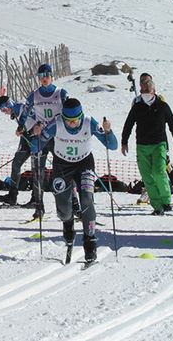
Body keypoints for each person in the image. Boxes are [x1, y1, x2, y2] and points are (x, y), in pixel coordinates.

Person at [33, 99, 117, 264]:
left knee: (87, 199)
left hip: (84, 164)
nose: (72, 124)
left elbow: (112, 145)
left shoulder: (89, 122)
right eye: (68, 120)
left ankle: (90, 241)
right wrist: (36, 134)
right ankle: (68, 225)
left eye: (75, 120)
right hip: (62, 166)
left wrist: (109, 132)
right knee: (64, 210)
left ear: (80, 115)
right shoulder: (56, 124)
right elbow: (36, 147)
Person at [121, 78, 173, 215]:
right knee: (147, 176)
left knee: (159, 172)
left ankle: (166, 200)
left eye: (146, 90)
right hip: (142, 146)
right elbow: (128, 124)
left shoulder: (162, 106)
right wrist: (124, 142)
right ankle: (157, 206)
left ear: (154, 91)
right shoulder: (137, 106)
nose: (144, 93)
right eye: (142, 91)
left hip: (159, 144)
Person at [26, 63, 70, 221]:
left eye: (47, 75)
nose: (44, 79)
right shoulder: (34, 95)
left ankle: (74, 207)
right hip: (40, 139)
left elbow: (69, 113)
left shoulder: (61, 93)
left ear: (52, 76)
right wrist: (27, 128)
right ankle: (39, 208)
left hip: (59, 138)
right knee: (38, 173)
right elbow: (26, 115)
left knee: (65, 173)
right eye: (41, 76)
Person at [0, 96, 36, 206]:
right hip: (26, 139)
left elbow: (35, 119)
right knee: (16, 164)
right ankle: (12, 196)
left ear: (8, 105)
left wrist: (23, 129)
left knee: (36, 167)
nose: (3, 112)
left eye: (2, 109)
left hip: (35, 138)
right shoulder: (15, 113)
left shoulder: (21, 108)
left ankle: (36, 199)